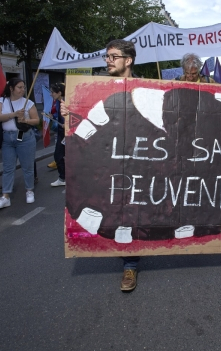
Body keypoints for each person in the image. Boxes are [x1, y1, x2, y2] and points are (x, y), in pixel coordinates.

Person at [61, 39, 140, 292]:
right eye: (106, 57)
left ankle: (131, 264)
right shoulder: (97, 89)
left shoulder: (145, 88)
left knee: (131, 210)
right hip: (109, 161)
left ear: (128, 61)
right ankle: (123, 251)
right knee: (113, 207)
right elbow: (84, 123)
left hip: (139, 161)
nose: (107, 61)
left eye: (113, 57)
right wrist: (68, 112)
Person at [0, 78, 39, 209]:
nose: (22, 90)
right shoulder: (1, 101)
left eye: (23, 87)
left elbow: (36, 120)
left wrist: (25, 120)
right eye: (19, 87)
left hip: (25, 138)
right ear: (11, 88)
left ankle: (29, 190)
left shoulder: (28, 102)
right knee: (8, 168)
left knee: (27, 167)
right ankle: (5, 196)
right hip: (7, 139)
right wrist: (14, 114)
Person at [49, 82, 66, 187]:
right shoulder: (58, 102)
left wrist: (67, 124)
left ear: (59, 93)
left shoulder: (65, 102)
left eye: (52, 92)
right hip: (61, 133)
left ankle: (63, 177)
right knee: (59, 156)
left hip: (67, 134)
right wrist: (52, 116)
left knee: (59, 155)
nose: (51, 94)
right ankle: (63, 177)